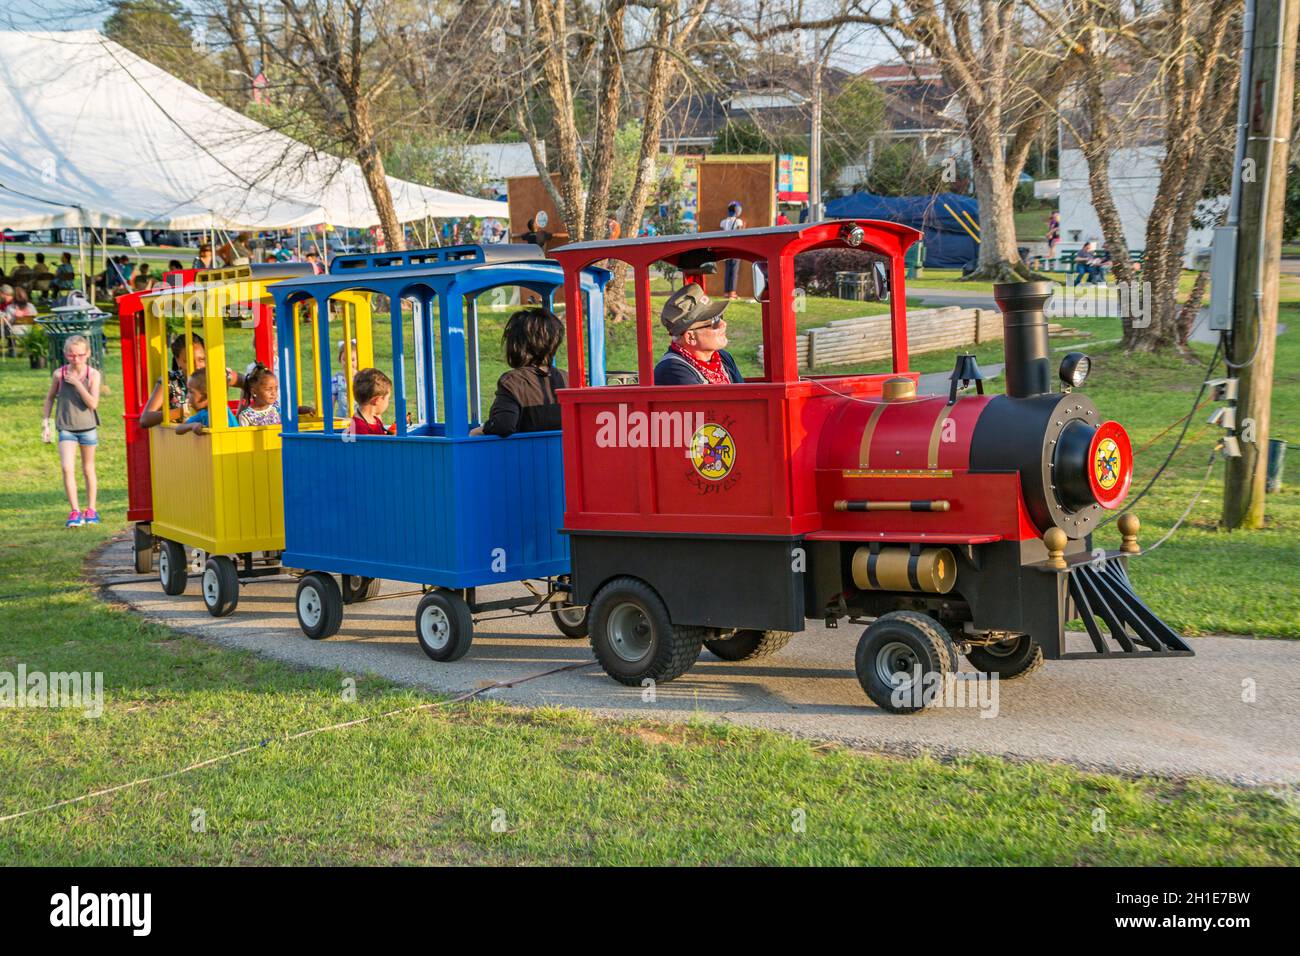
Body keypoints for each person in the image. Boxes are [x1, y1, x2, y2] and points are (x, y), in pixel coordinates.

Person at [469, 308, 567, 438]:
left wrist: (479, 430)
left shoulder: (513, 381)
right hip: (562, 455)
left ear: (517, 344)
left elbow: (504, 424)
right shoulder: (567, 378)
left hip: (522, 455)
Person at [41, 335, 102, 527]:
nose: (76, 359)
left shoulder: (93, 374)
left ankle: (91, 510)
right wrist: (47, 426)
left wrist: (77, 383)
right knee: (67, 468)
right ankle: (75, 511)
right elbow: (50, 398)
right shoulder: (59, 374)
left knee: (88, 468)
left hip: (87, 428)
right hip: (65, 427)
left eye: (80, 355)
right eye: (71, 355)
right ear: (66, 354)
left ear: (88, 354)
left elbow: (93, 403)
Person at [138, 333, 244, 428]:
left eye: (201, 359)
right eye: (188, 361)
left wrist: (241, 413)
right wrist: (178, 412)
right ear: (177, 360)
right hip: (183, 444)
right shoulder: (170, 380)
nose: (197, 366)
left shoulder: (216, 375)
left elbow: (249, 383)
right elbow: (145, 419)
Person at [653, 284, 743, 386]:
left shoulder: (723, 357)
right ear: (691, 337)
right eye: (714, 321)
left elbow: (745, 397)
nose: (723, 324)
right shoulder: (673, 370)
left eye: (719, 317)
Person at [176, 368, 238, 435]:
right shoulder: (204, 413)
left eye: (191, 392)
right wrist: (192, 425)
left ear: (206, 396)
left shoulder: (222, 415)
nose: (187, 396)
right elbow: (178, 429)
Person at [351, 367, 396, 435]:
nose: (388, 402)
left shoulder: (375, 420)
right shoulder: (359, 428)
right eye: (388, 398)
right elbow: (376, 445)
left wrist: (391, 433)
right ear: (377, 400)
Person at [719, 202, 744, 298]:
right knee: (734, 271)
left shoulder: (723, 222)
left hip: (725, 248)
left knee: (727, 271)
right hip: (735, 248)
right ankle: (732, 292)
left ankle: (726, 292)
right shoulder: (738, 222)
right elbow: (740, 234)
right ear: (737, 211)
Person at [331, 338, 359, 417]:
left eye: (352, 360)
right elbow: (331, 402)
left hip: (360, 421)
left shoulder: (362, 378)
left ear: (357, 360)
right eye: (344, 360)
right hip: (342, 422)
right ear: (340, 360)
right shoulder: (336, 379)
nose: (349, 363)